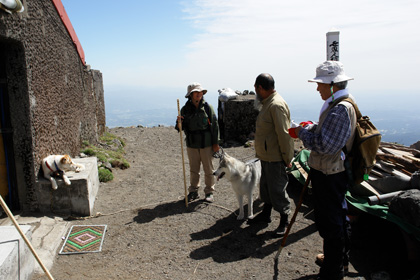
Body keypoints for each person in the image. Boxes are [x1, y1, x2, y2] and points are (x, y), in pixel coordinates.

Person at [292, 61, 356, 280]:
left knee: (332, 224)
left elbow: (325, 145)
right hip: (329, 172)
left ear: (332, 84)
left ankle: (333, 271)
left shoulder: (340, 110)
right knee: (336, 218)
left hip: (330, 175)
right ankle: (338, 261)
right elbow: (326, 136)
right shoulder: (335, 105)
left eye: (320, 84)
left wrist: (301, 132)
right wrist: (311, 128)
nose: (318, 88)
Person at [248, 73, 294, 237]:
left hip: (275, 157)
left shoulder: (276, 105)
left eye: (256, 89)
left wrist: (287, 158)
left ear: (260, 88)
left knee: (277, 189)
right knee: (266, 187)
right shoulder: (268, 103)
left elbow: (284, 134)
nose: (256, 93)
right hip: (266, 156)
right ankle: (265, 215)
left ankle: (284, 220)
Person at [176, 82, 220, 203]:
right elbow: (180, 128)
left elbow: (215, 126)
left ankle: (209, 192)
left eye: (200, 92)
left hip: (206, 143)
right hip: (192, 143)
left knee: (208, 169)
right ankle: (193, 191)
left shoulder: (207, 107)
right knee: (194, 169)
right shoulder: (185, 109)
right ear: (191, 95)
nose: (199, 94)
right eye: (196, 92)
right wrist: (179, 121)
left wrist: (216, 143)